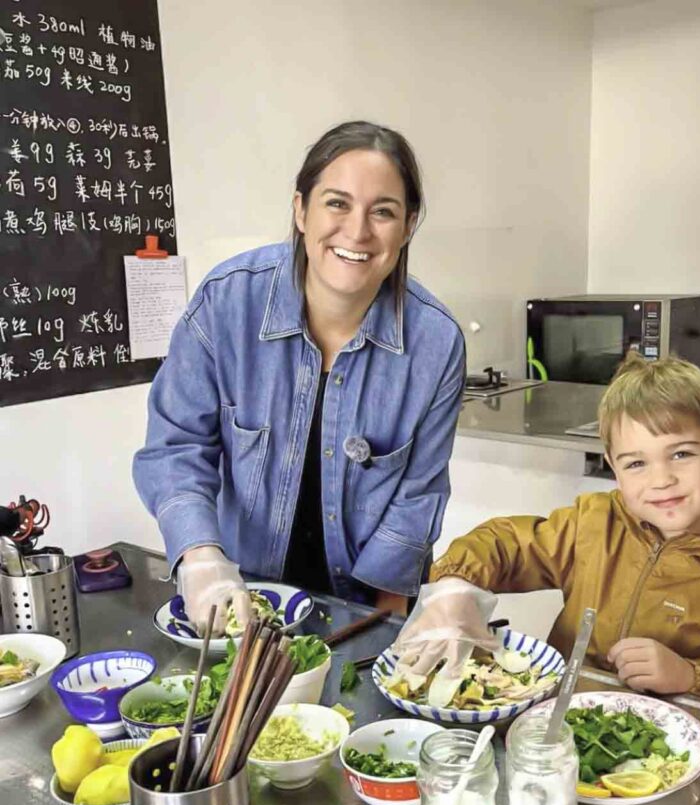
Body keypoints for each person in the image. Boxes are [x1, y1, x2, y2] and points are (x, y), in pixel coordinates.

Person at [133, 121, 466, 635]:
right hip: (243, 601)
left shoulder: (436, 342)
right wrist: (201, 560)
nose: (357, 231)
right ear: (300, 209)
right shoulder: (227, 303)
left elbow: (417, 498)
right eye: (337, 203)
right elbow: (176, 447)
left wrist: (383, 637)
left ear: (408, 225)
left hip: (359, 605)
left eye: (383, 211)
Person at [394, 354, 700, 713]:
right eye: (637, 463)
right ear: (614, 469)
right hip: (561, 725)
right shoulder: (593, 523)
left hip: (668, 760)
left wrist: (693, 676)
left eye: (682, 454)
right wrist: (455, 591)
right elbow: (502, 543)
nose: (661, 480)